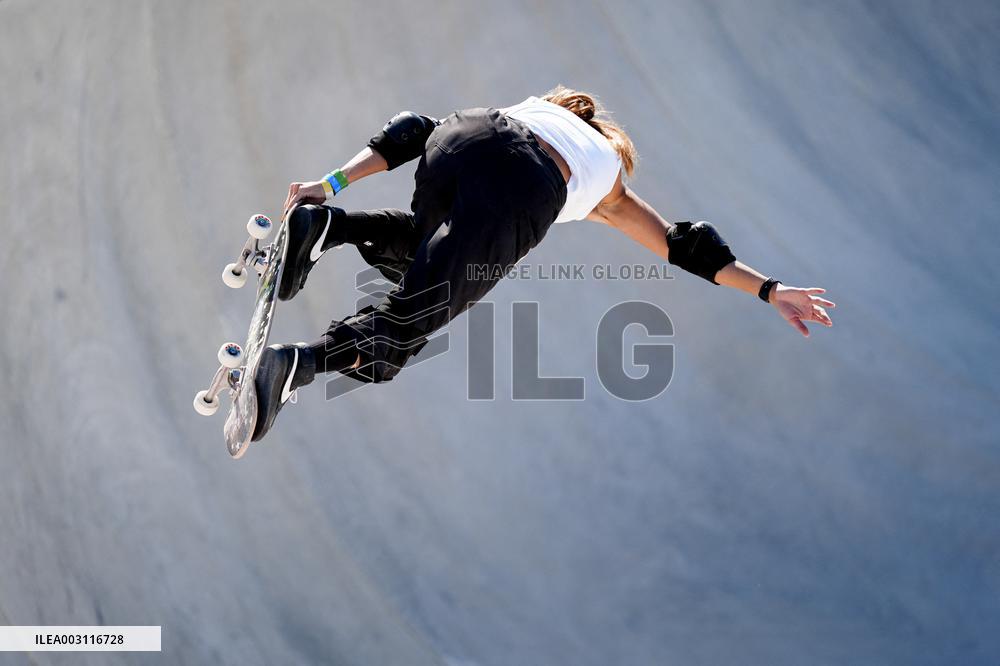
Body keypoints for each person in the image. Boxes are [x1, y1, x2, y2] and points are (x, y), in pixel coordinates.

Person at [250, 86, 835, 440]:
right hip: (523, 188)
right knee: (408, 326)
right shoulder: (608, 182)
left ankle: (325, 224)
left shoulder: (538, 108)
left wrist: (331, 182)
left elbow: (415, 132)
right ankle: (296, 364)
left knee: (425, 252)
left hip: (467, 130)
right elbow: (687, 245)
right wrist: (768, 289)